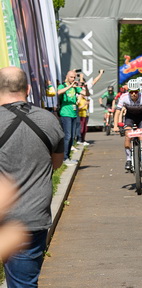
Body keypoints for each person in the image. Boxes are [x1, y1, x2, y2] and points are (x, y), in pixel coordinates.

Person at [0, 66, 64, 287]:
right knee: (23, 283)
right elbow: (56, 163)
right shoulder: (49, 120)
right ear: (28, 89)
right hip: (31, 217)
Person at [113, 79, 142, 175]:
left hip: (141, 119)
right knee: (128, 137)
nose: (134, 94)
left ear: (139, 91)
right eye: (131, 92)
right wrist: (115, 126)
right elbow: (117, 112)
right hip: (129, 118)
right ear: (128, 91)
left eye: (136, 91)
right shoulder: (124, 97)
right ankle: (128, 159)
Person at [57, 70, 88, 164]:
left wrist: (86, 87)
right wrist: (70, 86)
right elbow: (58, 92)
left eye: (74, 77)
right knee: (68, 136)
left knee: (72, 136)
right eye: (71, 77)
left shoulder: (75, 87)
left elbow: (86, 94)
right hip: (65, 113)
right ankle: (64, 158)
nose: (73, 79)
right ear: (67, 77)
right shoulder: (62, 85)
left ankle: (68, 157)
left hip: (74, 113)